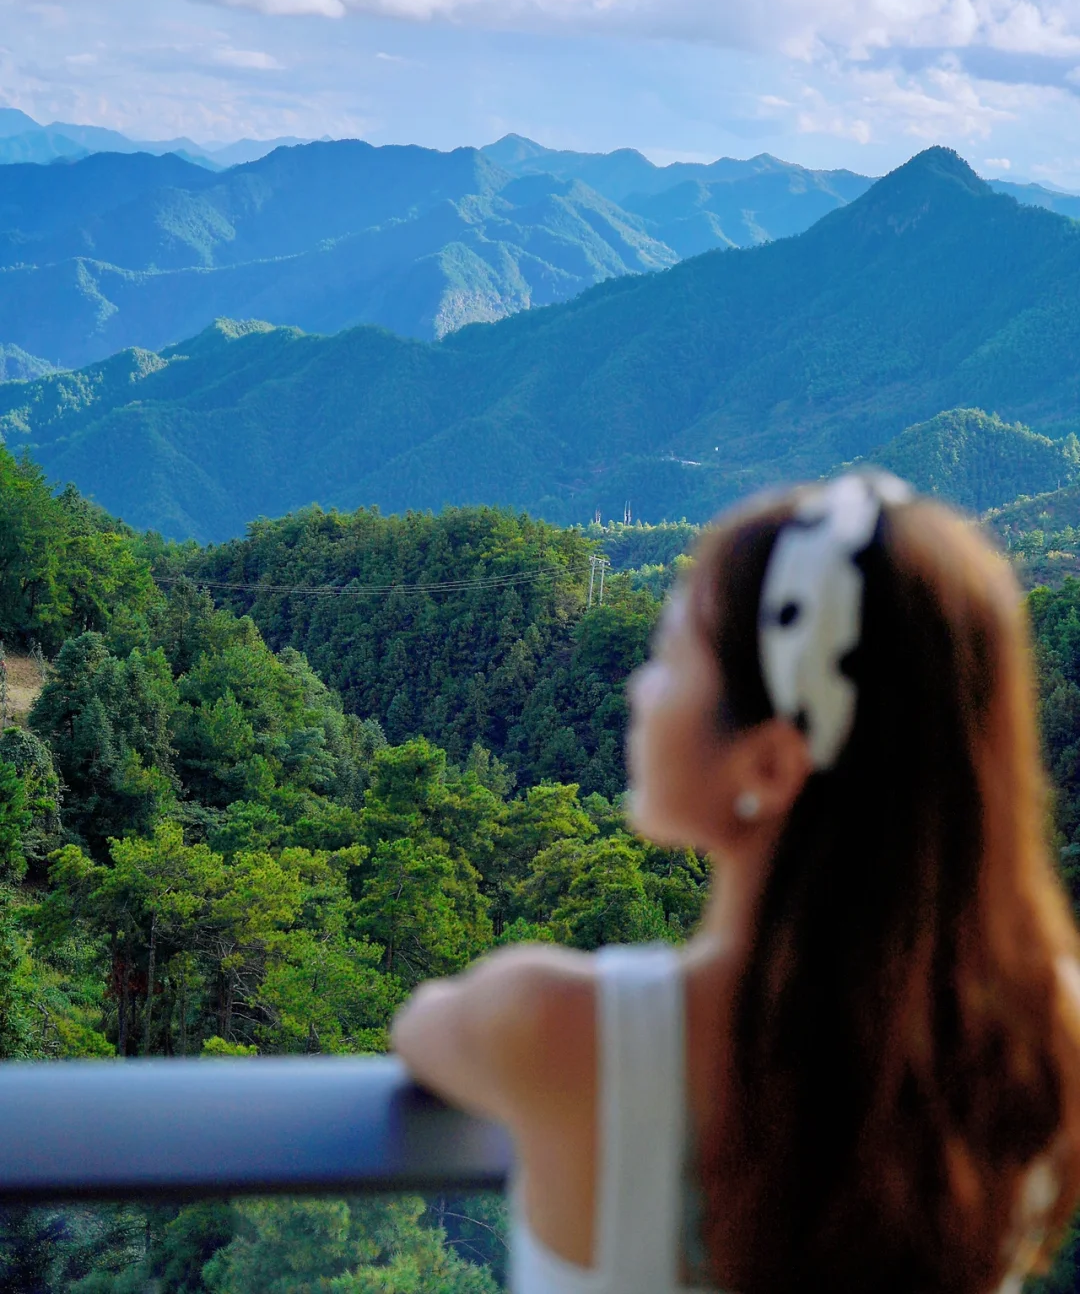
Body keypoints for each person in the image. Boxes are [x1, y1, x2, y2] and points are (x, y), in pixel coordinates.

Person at [392, 473, 1080, 1294]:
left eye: (669, 659)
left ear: (769, 763)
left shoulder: (557, 1024)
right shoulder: (1046, 1041)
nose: (636, 689)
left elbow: (420, 1030)